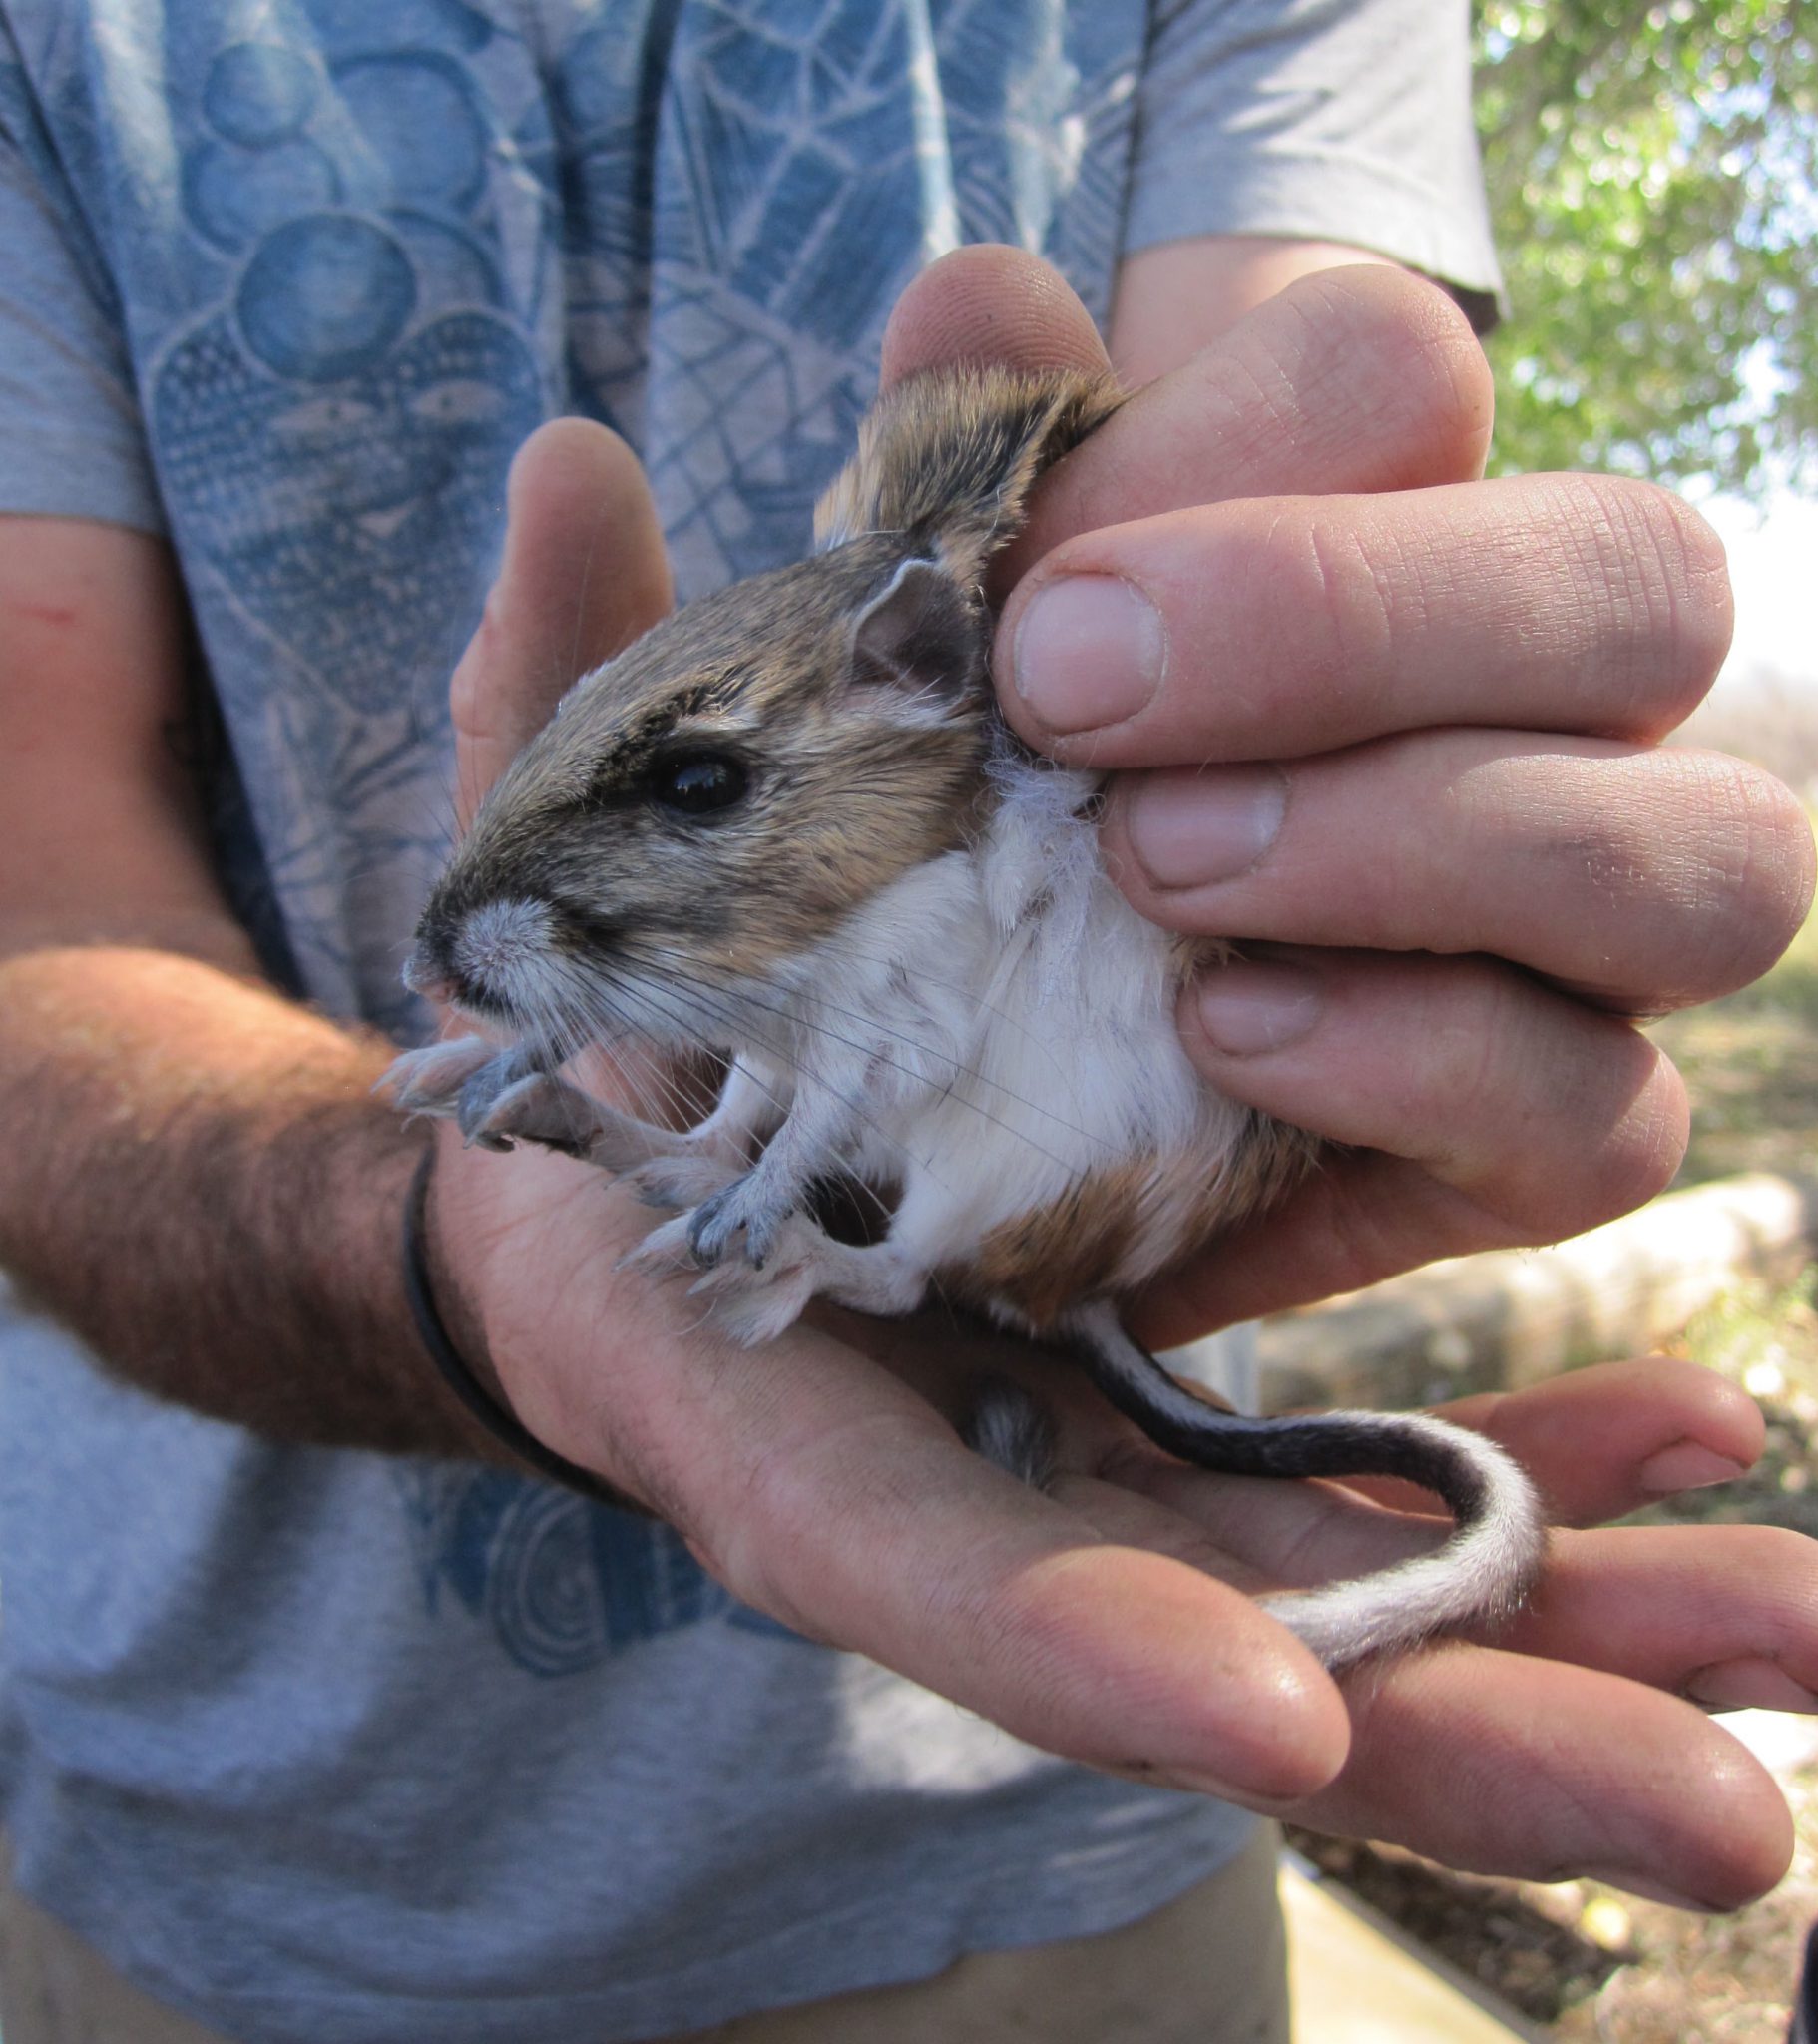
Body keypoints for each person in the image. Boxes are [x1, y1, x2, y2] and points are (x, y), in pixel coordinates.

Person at [0, 4, 1813, 2042]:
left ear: (924, 671)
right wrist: (436, 1244)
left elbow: (1296, 454)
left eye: (696, 795)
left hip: (1063, 1871)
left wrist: (1323, 682)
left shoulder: (947, 792)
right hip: (214, 1880)